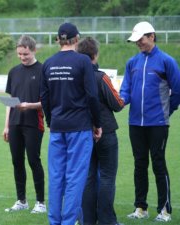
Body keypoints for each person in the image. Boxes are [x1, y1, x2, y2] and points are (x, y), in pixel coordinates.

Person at [40, 23, 102, 225]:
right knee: (75, 179)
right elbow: (92, 96)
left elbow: (45, 97)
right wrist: (97, 123)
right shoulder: (83, 61)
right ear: (77, 39)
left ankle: (54, 222)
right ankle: (67, 222)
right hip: (79, 127)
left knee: (56, 178)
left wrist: (51, 121)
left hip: (57, 127)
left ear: (59, 40)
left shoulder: (48, 63)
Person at [120, 21, 180, 222]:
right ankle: (141, 208)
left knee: (158, 164)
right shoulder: (132, 63)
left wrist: (165, 112)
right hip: (135, 123)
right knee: (139, 165)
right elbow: (125, 91)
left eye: (141, 39)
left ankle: (165, 210)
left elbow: (177, 92)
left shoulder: (167, 61)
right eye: (135, 40)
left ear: (152, 36)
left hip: (158, 124)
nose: (138, 43)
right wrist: (118, 102)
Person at [77, 37, 124, 225]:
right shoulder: (101, 76)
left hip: (82, 131)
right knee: (107, 177)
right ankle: (107, 220)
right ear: (95, 54)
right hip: (106, 131)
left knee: (88, 178)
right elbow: (117, 103)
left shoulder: (75, 78)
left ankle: (88, 220)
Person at [2, 35, 46, 214]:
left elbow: (47, 101)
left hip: (33, 123)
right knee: (16, 161)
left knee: (34, 161)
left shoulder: (44, 70)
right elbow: (10, 102)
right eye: (19, 54)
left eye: (25, 54)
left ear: (33, 50)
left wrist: (30, 105)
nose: (22, 57)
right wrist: (6, 125)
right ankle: (21, 200)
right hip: (14, 124)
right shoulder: (13, 72)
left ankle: (41, 203)